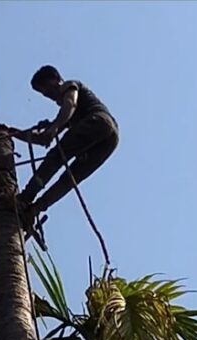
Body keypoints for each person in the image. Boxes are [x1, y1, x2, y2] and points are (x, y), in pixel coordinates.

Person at [10, 65, 119, 229]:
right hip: (110, 139)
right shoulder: (67, 117)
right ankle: (33, 210)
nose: (47, 95)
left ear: (56, 80)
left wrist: (54, 126)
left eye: (46, 88)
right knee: (70, 179)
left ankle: (25, 198)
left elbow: (70, 103)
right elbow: (43, 140)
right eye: (43, 93)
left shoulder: (70, 85)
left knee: (55, 158)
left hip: (99, 121)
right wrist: (16, 134)